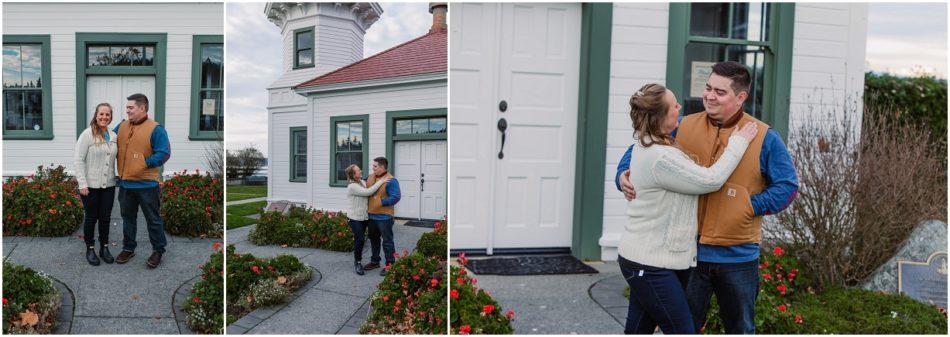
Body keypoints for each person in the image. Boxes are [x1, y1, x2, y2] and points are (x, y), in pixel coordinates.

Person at [616, 61, 799, 334]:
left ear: (740, 98)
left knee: (740, 328)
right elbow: (640, 150)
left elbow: (787, 185)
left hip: (738, 257)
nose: (710, 96)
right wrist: (622, 176)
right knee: (685, 327)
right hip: (689, 256)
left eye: (720, 92)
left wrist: (749, 206)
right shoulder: (682, 125)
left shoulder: (763, 136)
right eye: (708, 88)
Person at [112, 93, 172, 268]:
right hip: (125, 184)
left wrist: (145, 163)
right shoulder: (121, 126)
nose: (127, 110)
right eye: (127, 107)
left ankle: (158, 250)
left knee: (153, 219)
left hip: (147, 184)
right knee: (128, 218)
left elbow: (164, 153)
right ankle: (129, 248)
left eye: (131, 107)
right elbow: (108, 140)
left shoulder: (156, 129)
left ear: (142, 108)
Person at [74, 103, 119, 266]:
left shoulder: (114, 136)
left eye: (107, 114)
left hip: (109, 185)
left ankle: (104, 248)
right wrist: (82, 183)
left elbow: (114, 159)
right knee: (91, 218)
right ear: (96, 115)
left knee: (106, 218)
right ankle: (90, 248)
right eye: (101, 114)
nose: (104, 117)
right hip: (90, 186)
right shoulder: (87, 135)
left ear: (110, 117)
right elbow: (78, 160)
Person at [344, 164, 389, 275]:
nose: (360, 171)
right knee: (359, 239)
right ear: (353, 175)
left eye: (359, 169)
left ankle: (372, 261)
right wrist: (382, 181)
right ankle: (358, 262)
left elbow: (369, 185)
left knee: (365, 239)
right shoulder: (352, 186)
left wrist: (378, 173)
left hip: (364, 217)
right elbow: (368, 192)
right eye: (358, 170)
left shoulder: (362, 182)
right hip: (354, 218)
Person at [366, 157, 401, 276]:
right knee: (374, 240)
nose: (373, 168)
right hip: (371, 216)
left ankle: (390, 264)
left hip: (384, 217)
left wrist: (381, 202)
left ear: (382, 167)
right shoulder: (370, 177)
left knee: (387, 241)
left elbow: (396, 197)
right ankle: (375, 261)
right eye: (373, 166)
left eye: (375, 166)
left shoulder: (391, 180)